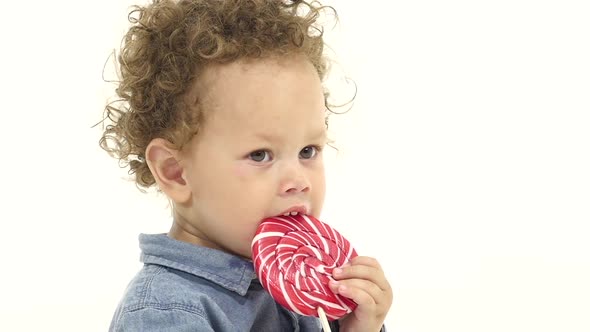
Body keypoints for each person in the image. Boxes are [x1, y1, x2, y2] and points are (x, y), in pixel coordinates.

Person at [100, 0, 393, 330]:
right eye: (260, 155)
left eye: (308, 151)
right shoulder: (168, 312)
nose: (298, 180)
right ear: (175, 171)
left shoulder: (298, 283)